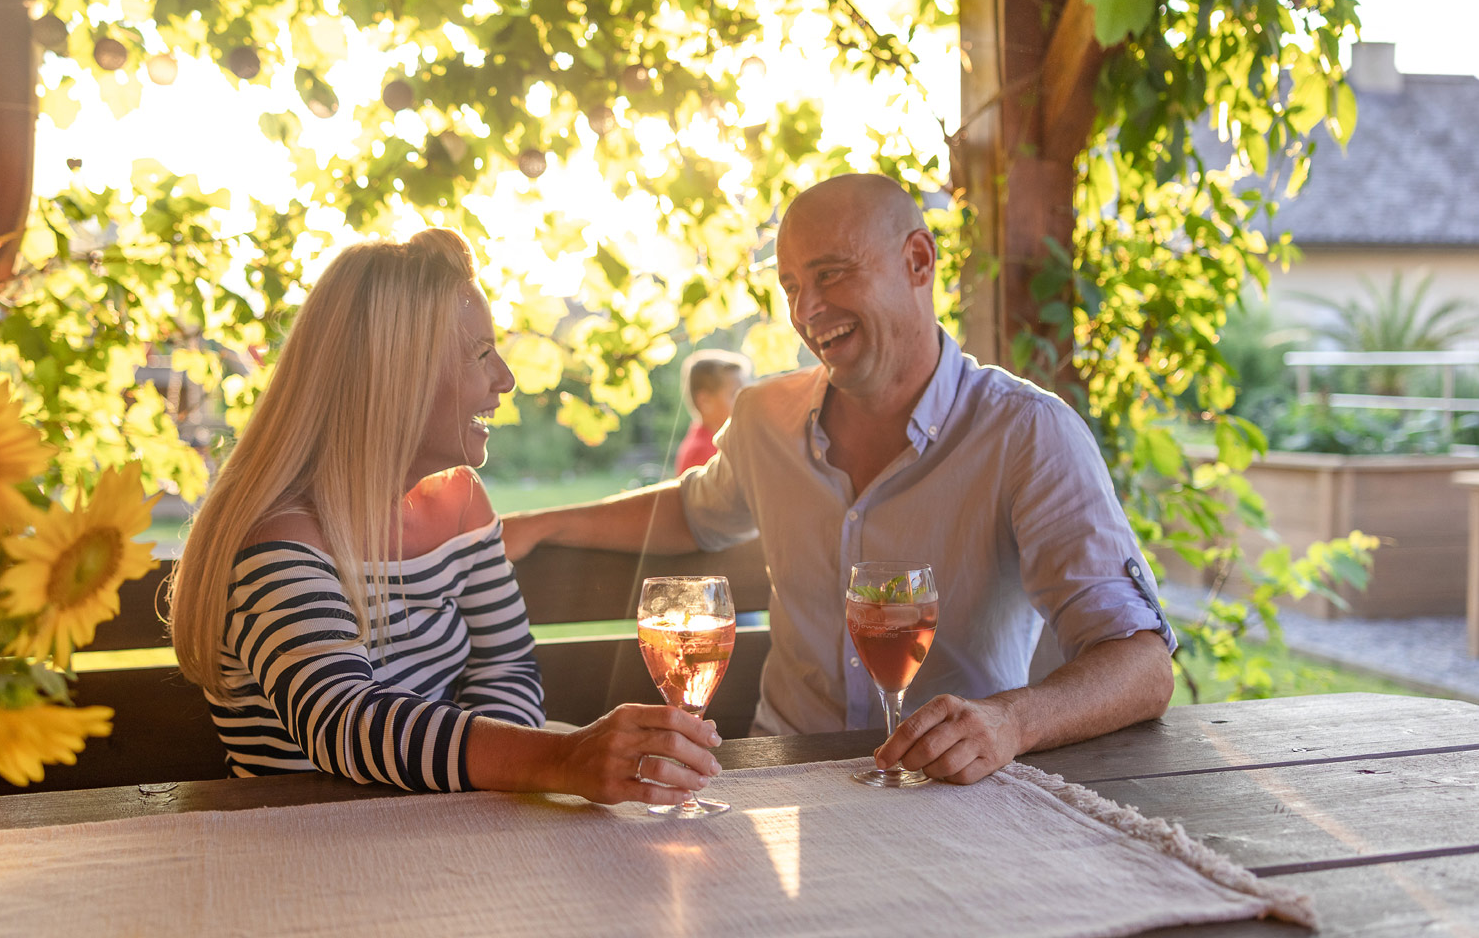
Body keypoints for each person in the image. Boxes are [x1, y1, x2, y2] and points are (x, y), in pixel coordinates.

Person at [503, 174, 1176, 785]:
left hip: (955, 792)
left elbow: (1141, 665)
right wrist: (544, 524)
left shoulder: (1029, 433)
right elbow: (694, 513)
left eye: (832, 274)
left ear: (918, 261)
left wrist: (1009, 722)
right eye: (792, 285)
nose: (808, 309)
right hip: (779, 781)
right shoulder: (764, 418)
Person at [170, 229, 722, 805]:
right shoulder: (278, 535)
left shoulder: (460, 500)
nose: (504, 378)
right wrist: (561, 759)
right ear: (395, 374)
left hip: (445, 832)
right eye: (482, 353)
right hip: (307, 851)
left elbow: (504, 667)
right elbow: (342, 720)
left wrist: (493, 791)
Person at [674, 349, 751, 475]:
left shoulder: (729, 442)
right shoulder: (700, 452)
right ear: (705, 402)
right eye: (735, 394)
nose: (745, 401)